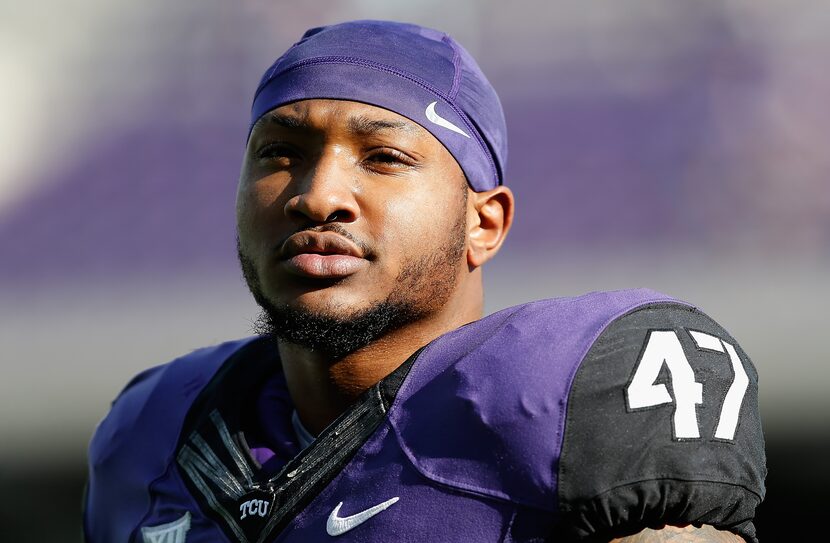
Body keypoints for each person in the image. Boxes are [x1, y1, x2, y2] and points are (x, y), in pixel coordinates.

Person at [83, 20, 765, 543]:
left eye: (383, 157)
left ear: (485, 224)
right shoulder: (151, 434)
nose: (318, 196)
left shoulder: (575, 396)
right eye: (280, 153)